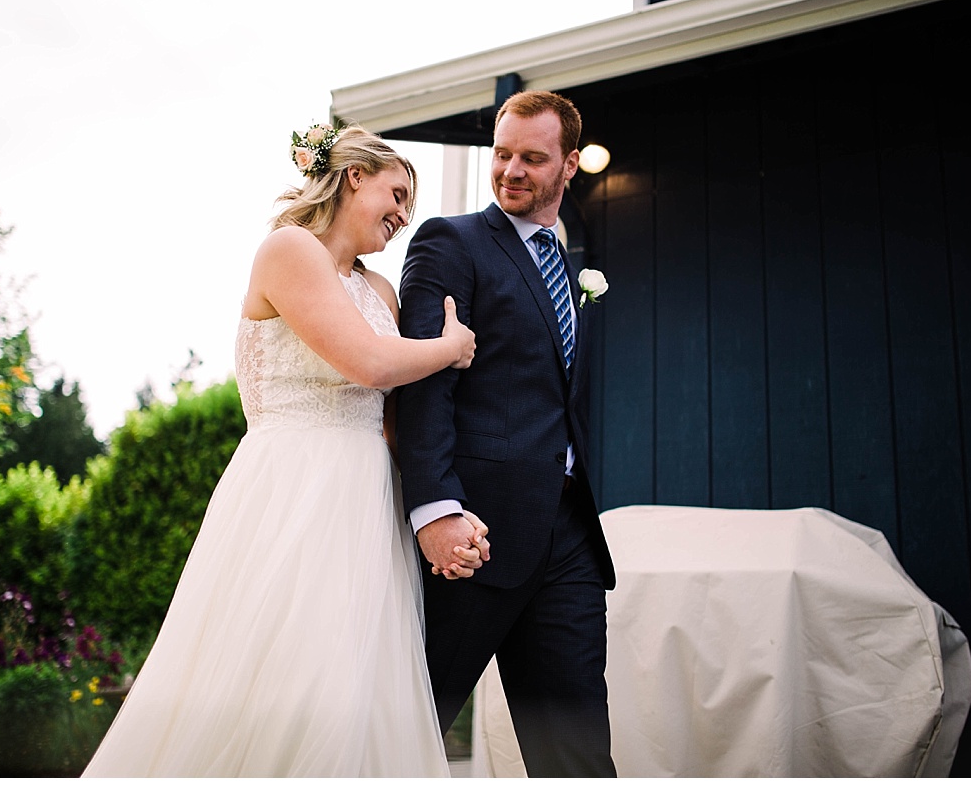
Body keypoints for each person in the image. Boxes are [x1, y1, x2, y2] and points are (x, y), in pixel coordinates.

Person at [82, 124, 488, 778]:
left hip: (367, 507)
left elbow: (393, 423)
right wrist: (451, 347)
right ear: (354, 175)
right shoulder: (289, 250)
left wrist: (443, 510)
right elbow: (368, 362)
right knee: (279, 680)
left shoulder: (380, 290)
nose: (403, 215)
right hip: (295, 491)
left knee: (354, 689)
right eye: (396, 192)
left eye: (410, 205)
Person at [397, 90, 617, 777]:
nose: (512, 170)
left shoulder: (568, 262)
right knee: (410, 730)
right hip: (473, 538)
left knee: (578, 752)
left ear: (570, 164)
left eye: (533, 157)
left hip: (570, 540)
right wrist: (435, 508)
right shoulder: (450, 241)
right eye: (502, 154)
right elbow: (423, 384)